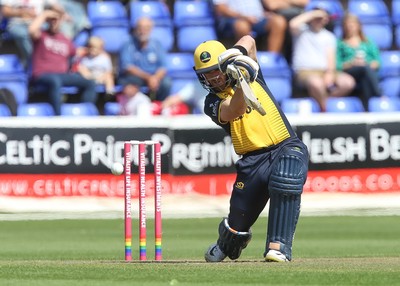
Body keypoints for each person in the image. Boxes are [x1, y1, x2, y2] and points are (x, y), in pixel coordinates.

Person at [193, 35, 309, 262]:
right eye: (205, 75)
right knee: (236, 228)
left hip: (285, 146)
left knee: (286, 179)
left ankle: (278, 247)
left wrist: (238, 58)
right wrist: (241, 81)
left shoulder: (255, 76)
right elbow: (233, 110)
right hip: (252, 162)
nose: (212, 78)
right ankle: (226, 243)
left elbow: (250, 41)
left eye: (215, 70)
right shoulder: (211, 102)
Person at [29, 8, 97, 115]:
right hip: (42, 75)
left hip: (63, 75)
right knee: (55, 81)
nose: (54, 23)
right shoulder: (42, 35)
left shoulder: (65, 39)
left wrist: (99, 51)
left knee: (90, 83)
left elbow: (79, 52)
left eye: (56, 20)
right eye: (52, 20)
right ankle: (58, 119)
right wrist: (45, 15)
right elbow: (32, 30)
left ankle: (85, 114)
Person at [290, 8, 355, 112]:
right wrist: (313, 14)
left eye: (322, 18)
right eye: (317, 18)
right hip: (305, 72)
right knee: (317, 84)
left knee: (348, 82)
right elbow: (293, 24)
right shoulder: (301, 31)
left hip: (324, 71)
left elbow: (331, 57)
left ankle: (326, 101)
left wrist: (330, 73)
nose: (319, 19)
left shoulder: (329, 36)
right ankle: (324, 109)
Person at [118, 17, 171, 103]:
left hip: (153, 78)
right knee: (130, 83)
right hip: (136, 77)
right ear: (136, 29)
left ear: (151, 29)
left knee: (166, 83)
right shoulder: (127, 44)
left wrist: (155, 78)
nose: (142, 31)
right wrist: (148, 78)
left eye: (146, 28)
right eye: (140, 28)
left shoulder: (157, 44)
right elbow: (127, 67)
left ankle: (160, 106)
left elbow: (163, 67)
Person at [336, 13, 382, 110]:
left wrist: (367, 63)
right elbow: (337, 65)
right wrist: (351, 63)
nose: (349, 27)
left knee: (365, 74)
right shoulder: (340, 43)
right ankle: (379, 93)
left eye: (352, 24)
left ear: (358, 25)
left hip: (366, 73)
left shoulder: (368, 42)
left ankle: (366, 109)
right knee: (363, 69)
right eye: (347, 24)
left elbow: (377, 62)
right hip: (349, 72)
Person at [0, 0, 65, 67]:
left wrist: (63, 14)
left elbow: (54, 5)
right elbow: (5, 11)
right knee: (23, 34)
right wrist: (22, 12)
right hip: (17, 23)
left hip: (39, 23)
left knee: (56, 31)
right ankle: (35, 62)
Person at [212, 0, 287, 53]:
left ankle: (271, 61)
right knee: (242, 26)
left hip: (259, 18)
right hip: (234, 19)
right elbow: (221, 8)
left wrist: (266, 12)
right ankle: (248, 61)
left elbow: (269, 4)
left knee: (278, 21)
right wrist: (244, 17)